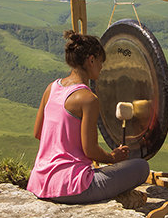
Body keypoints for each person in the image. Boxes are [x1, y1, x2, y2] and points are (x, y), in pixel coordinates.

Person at [28, 30, 150, 203]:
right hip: (73, 187)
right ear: (91, 60)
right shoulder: (88, 99)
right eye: (101, 62)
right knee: (141, 167)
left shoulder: (51, 88)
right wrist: (112, 158)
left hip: (39, 182)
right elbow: (90, 150)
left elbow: (38, 133)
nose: (101, 67)